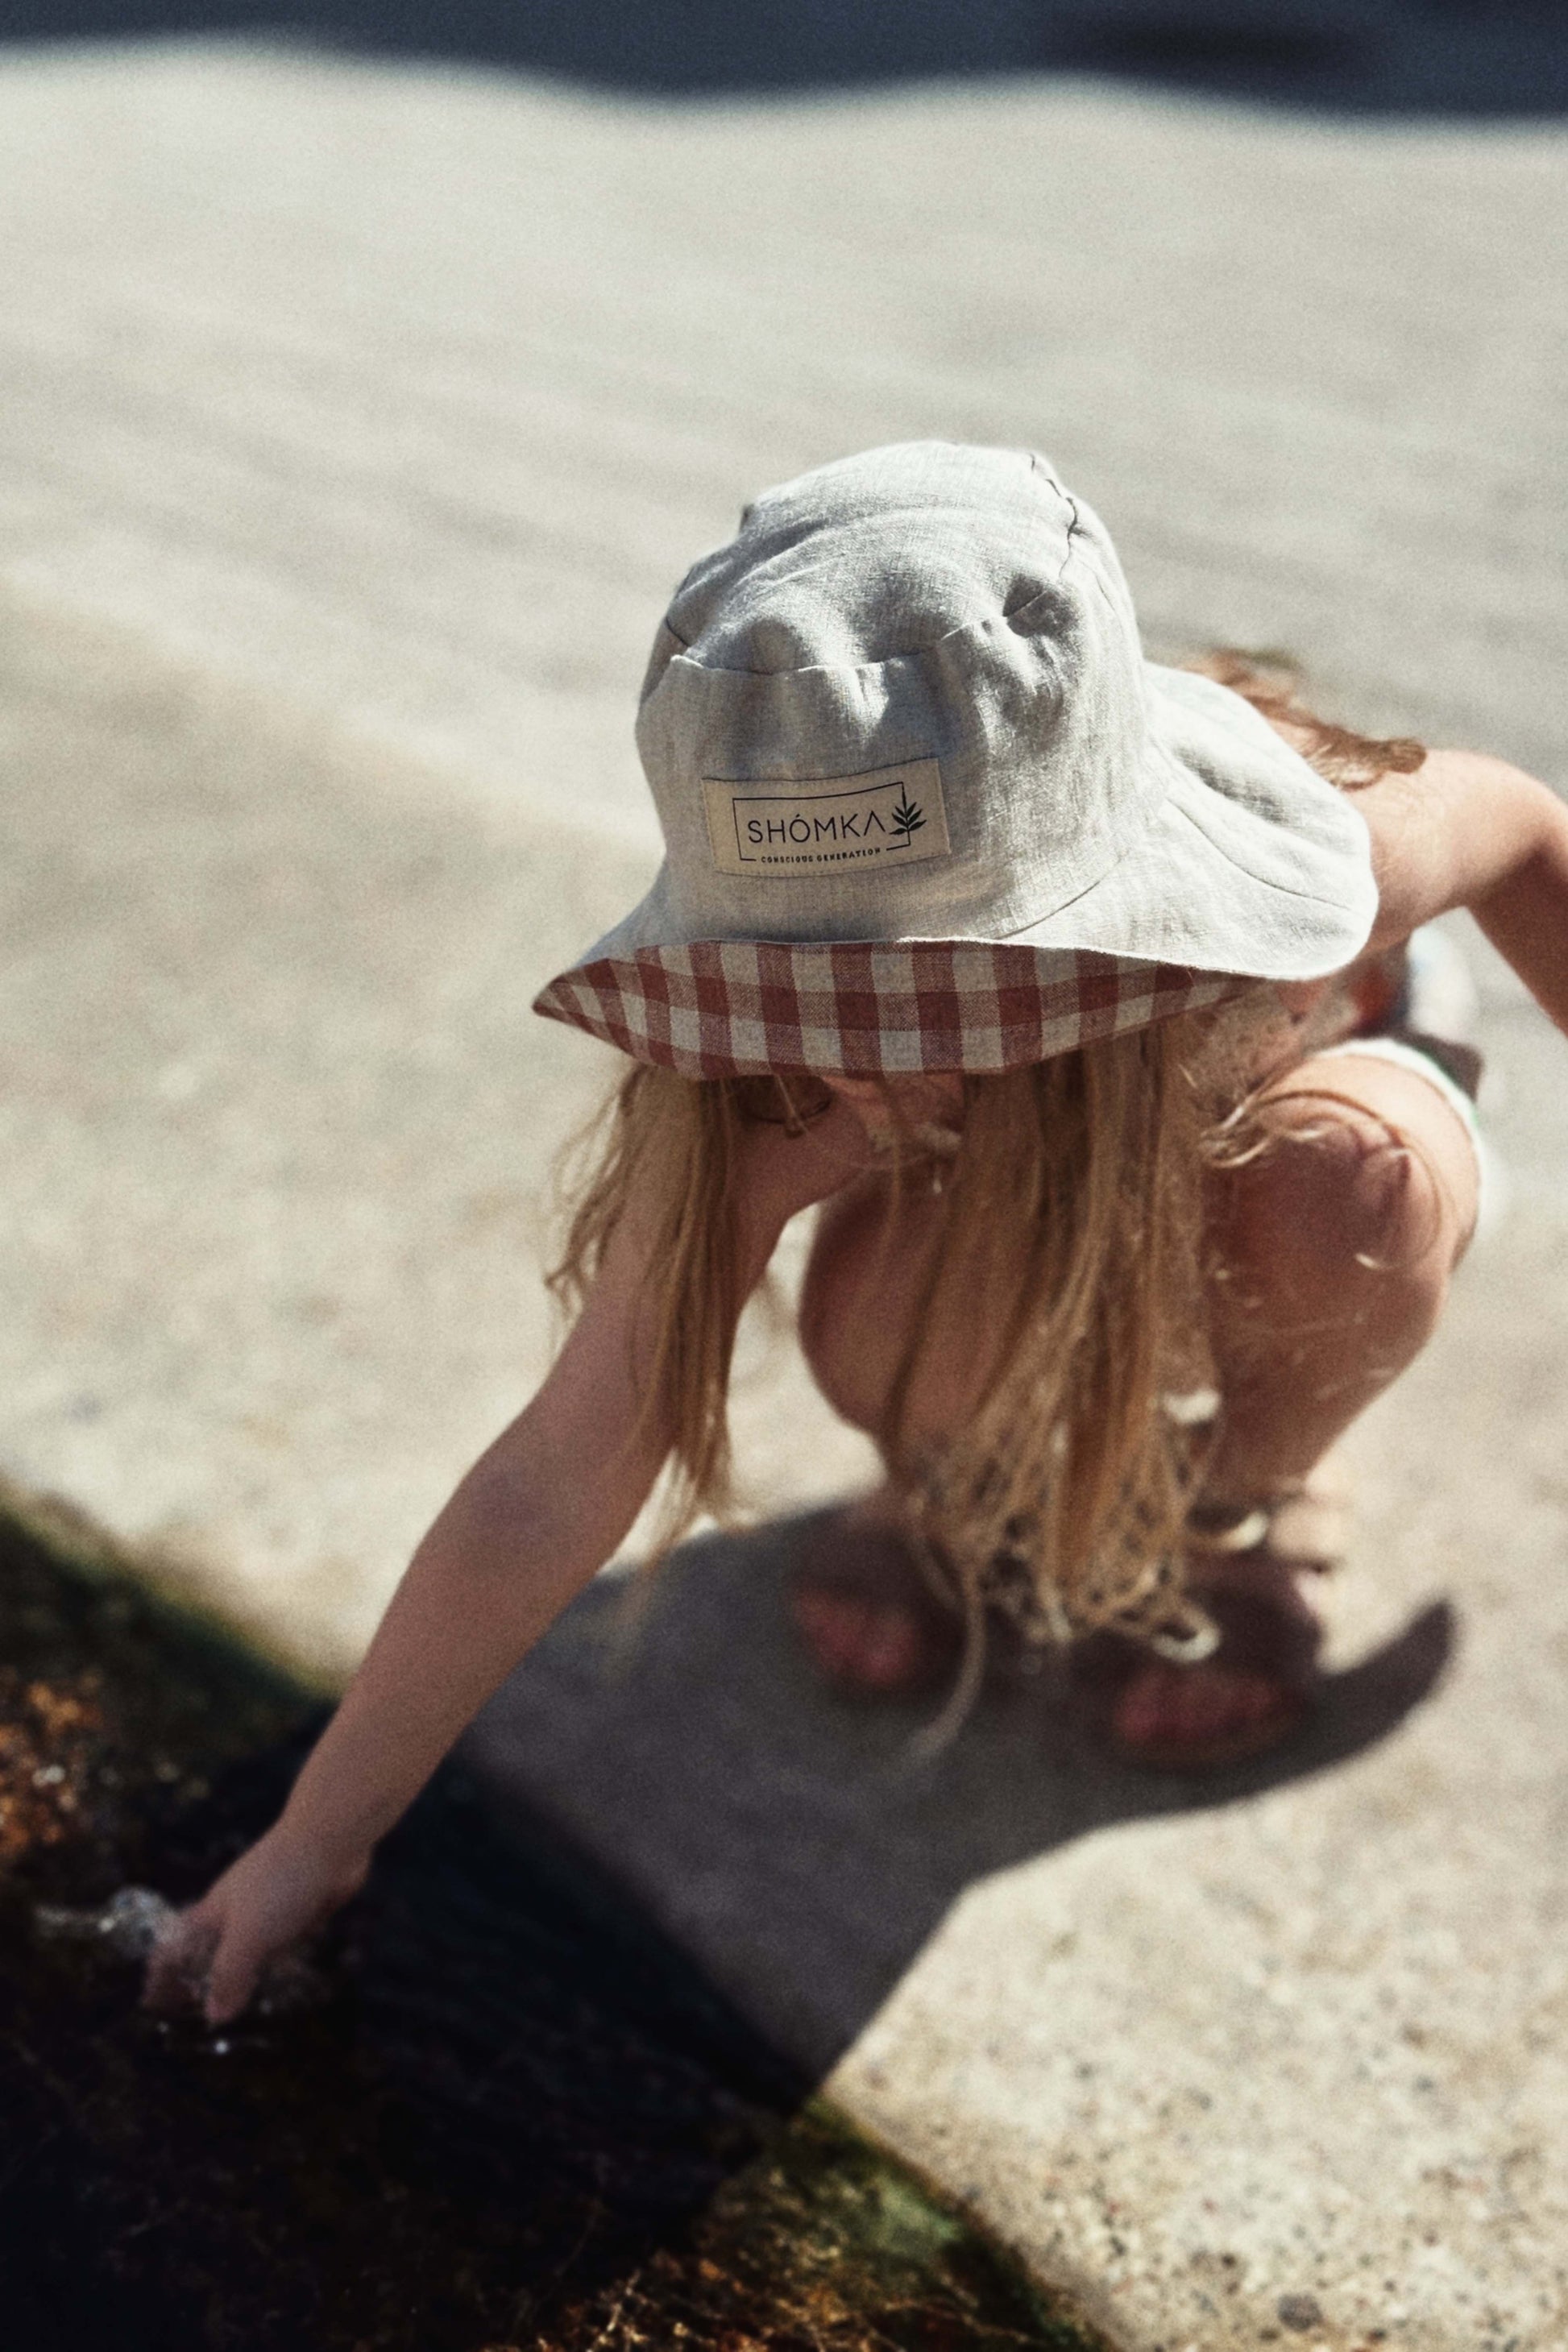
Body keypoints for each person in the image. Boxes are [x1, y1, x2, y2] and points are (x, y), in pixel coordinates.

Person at [145, 442, 1568, 2026]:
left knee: (1350, 1193)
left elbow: (1520, 823)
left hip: (1264, 1088)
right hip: (1041, 1152)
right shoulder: (773, 1062)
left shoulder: (1314, 862)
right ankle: (943, 1483)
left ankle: (1241, 1504)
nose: (867, 1052)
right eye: (821, 996)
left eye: (939, 992)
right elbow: (555, 1468)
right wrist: (314, 1840)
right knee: (889, 1333)